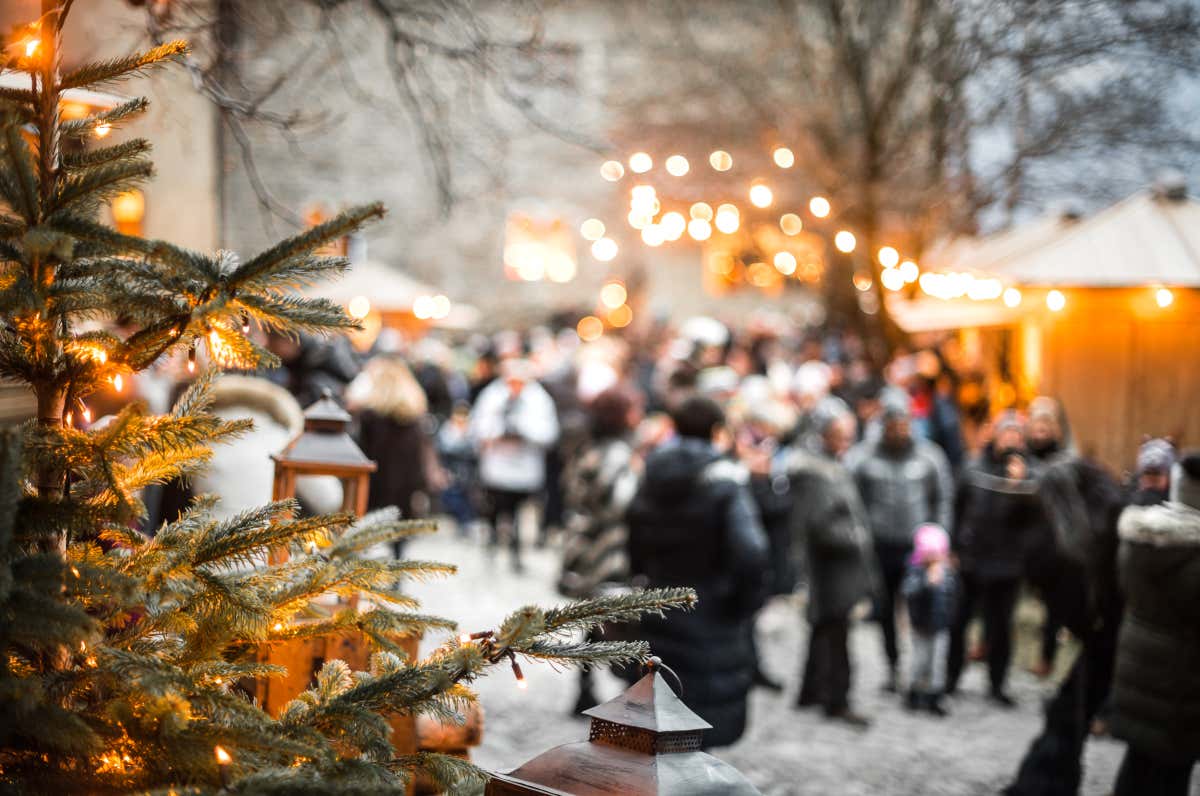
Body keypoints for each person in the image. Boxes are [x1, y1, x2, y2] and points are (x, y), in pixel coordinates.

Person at [626, 395, 769, 748]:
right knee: (697, 730)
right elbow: (751, 552)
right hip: (711, 611)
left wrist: (643, 578)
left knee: (659, 720)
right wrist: (743, 602)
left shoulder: (652, 473)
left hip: (659, 605)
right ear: (717, 432)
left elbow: (632, 530)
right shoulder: (724, 481)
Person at [1108, 452, 1200, 796]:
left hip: (1137, 674)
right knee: (1170, 776)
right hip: (1182, 688)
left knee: (1137, 767)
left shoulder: (1140, 535)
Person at [847, 399, 954, 691]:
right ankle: (892, 664)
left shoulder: (929, 456)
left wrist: (940, 540)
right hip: (880, 545)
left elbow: (942, 499)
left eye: (904, 423)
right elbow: (851, 499)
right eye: (893, 424)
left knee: (921, 609)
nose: (899, 429)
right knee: (884, 610)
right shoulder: (863, 458)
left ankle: (921, 670)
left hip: (917, 548)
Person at [788, 405, 877, 727]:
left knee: (826, 628)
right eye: (841, 435)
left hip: (836, 567)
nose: (847, 441)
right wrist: (855, 536)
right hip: (830, 567)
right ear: (825, 434)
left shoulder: (828, 464)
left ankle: (811, 692)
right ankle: (836, 699)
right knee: (835, 631)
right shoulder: (813, 471)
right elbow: (818, 524)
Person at [947, 411, 1041, 705]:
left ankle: (997, 684)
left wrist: (1019, 485)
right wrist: (953, 547)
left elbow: (1035, 519)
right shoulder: (973, 466)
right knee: (958, 622)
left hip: (1007, 564)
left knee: (1000, 628)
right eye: (1007, 432)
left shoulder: (1030, 474)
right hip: (972, 559)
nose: (1011, 438)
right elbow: (956, 507)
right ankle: (950, 678)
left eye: (1017, 434)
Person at [558, 386, 642, 713]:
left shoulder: (586, 447)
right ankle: (626, 689)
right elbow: (620, 503)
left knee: (592, 619)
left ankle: (585, 687)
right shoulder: (617, 454)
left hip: (586, 542)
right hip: (609, 547)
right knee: (610, 615)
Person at [469, 359, 560, 571]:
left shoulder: (539, 399)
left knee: (520, 514)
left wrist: (523, 429)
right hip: (497, 466)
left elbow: (548, 433)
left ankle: (515, 552)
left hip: (524, 468)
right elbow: (479, 427)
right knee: (496, 509)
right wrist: (498, 431)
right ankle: (492, 545)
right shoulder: (493, 395)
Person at [347, 355, 440, 557]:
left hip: (375, 486)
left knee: (370, 538)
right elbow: (418, 459)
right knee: (399, 539)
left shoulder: (369, 418)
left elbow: (361, 452)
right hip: (405, 489)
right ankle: (396, 573)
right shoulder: (414, 420)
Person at [902, 523, 958, 717]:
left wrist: (951, 616)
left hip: (940, 626)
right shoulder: (915, 572)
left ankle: (936, 695)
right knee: (920, 660)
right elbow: (908, 592)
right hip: (921, 627)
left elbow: (953, 597)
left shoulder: (948, 573)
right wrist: (927, 582)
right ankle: (914, 692)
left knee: (938, 663)